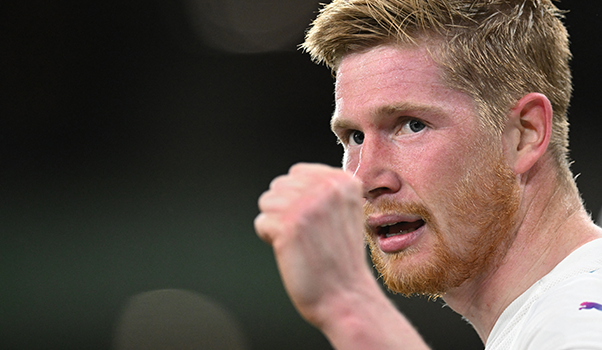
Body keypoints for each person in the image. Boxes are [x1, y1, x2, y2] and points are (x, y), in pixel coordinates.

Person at [254, 0, 602, 349]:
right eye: (355, 137)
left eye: (412, 125)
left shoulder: (575, 321)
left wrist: (349, 306)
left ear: (525, 133)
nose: (363, 179)